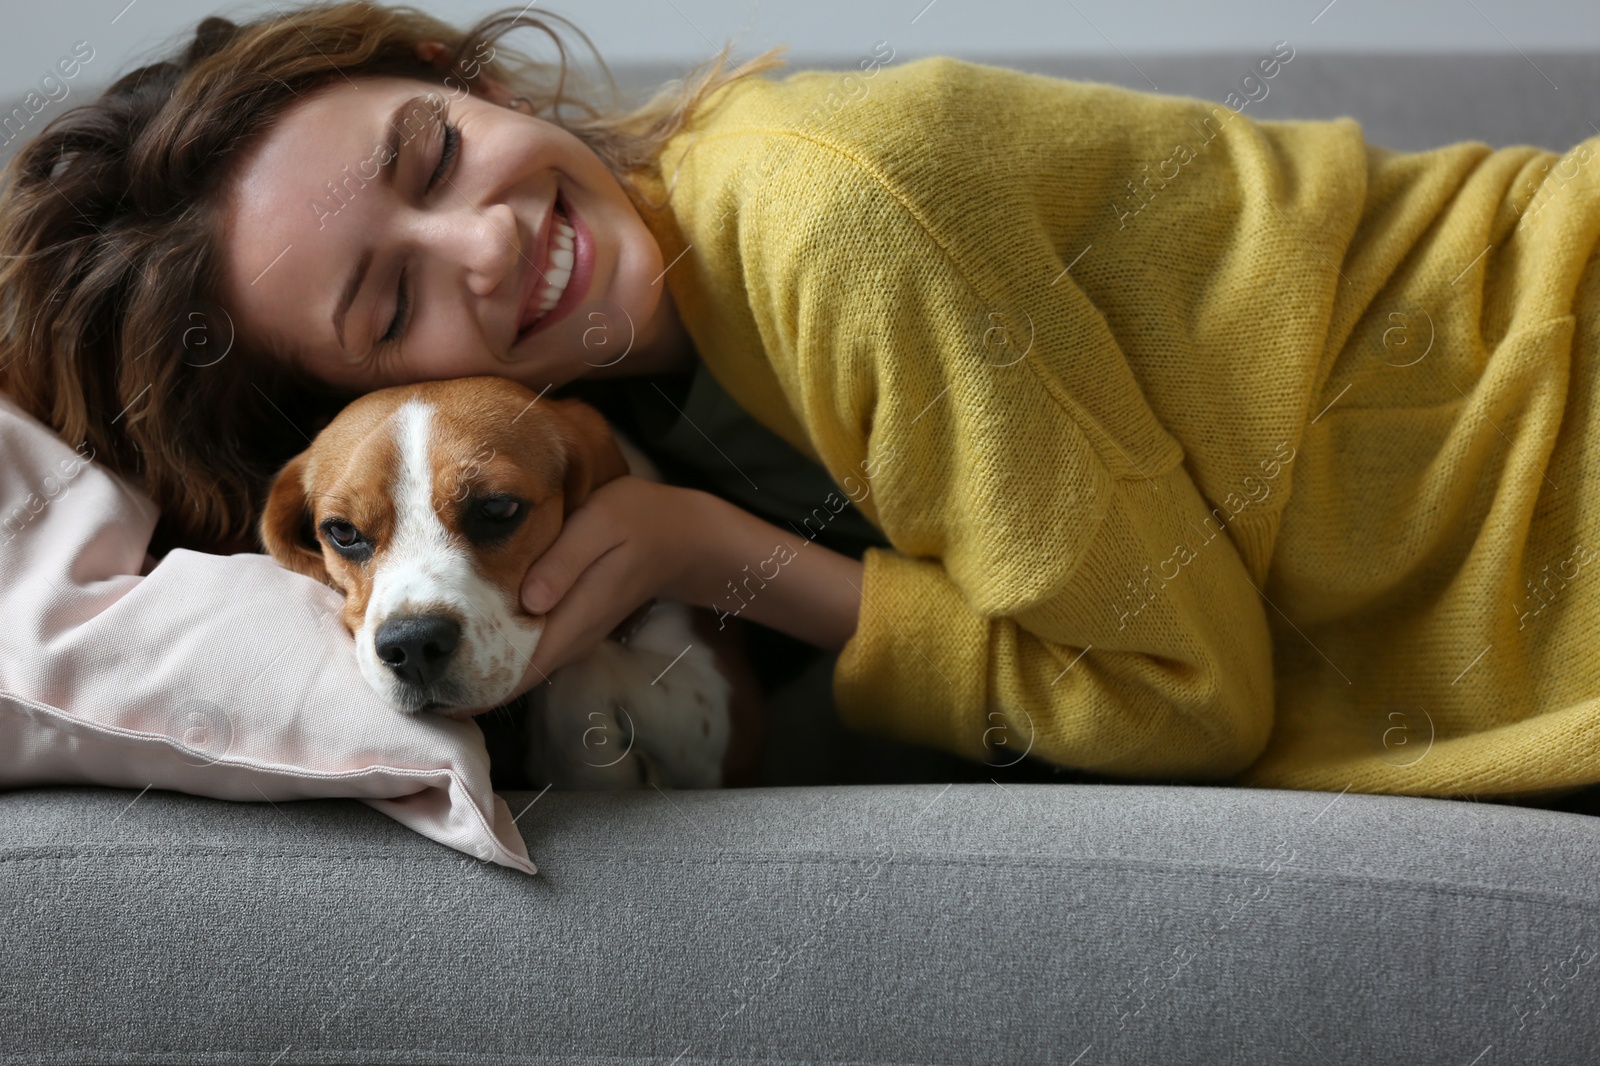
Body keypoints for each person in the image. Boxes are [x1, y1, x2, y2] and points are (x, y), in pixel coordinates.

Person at [3, 1, 1599, 800]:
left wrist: (701, 547)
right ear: (365, 418)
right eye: (395, 302)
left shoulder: (836, 226)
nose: (485, 239)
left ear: (470, 82)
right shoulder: (629, 398)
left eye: (433, 153)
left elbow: (1185, 695)